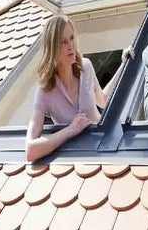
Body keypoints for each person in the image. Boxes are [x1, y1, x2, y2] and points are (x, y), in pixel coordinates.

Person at [25, 14, 133, 161]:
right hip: (76, 160)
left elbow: (103, 100)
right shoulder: (45, 91)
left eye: (71, 38)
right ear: (52, 48)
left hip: (105, 148)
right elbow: (30, 151)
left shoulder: (86, 67)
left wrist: (123, 64)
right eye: (63, 42)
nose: (71, 45)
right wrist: (71, 130)